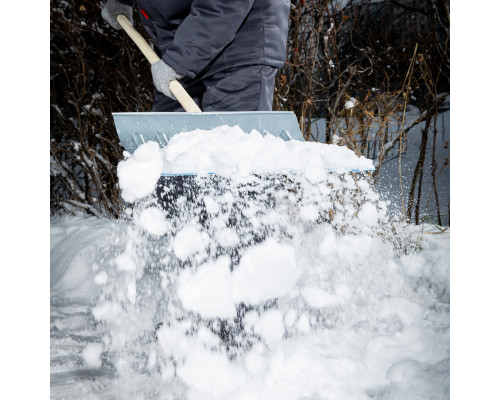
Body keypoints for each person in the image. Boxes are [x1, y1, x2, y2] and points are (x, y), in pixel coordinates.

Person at [101, 0, 291, 113]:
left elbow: (224, 4)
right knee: (170, 156)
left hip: (240, 45)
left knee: (231, 160)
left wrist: (180, 60)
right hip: (180, 39)